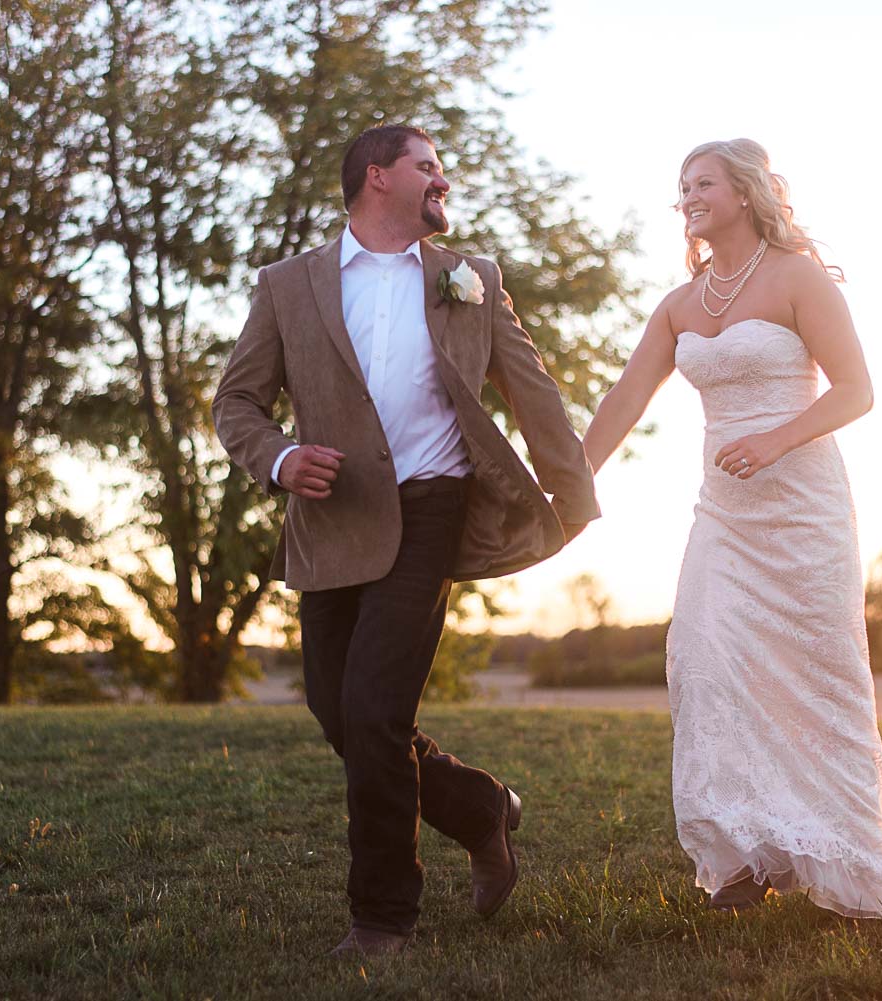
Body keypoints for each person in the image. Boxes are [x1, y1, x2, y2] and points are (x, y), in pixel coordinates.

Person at [213, 124, 600, 955]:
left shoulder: (468, 279)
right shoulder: (288, 285)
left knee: (376, 708)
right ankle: (482, 807)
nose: (443, 178)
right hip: (331, 518)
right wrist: (280, 458)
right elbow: (234, 403)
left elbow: (533, 392)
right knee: (340, 712)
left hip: (432, 504)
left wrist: (573, 496)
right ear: (377, 178)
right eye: (428, 166)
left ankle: (382, 914)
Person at [581, 139, 882, 919]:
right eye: (682, 187)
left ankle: (851, 865)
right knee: (703, 660)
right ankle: (736, 858)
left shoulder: (796, 277)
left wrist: (775, 439)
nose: (689, 196)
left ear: (744, 192)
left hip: (802, 505)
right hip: (724, 514)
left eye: (703, 182)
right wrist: (567, 484)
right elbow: (623, 401)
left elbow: (857, 391)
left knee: (815, 680)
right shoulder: (679, 304)